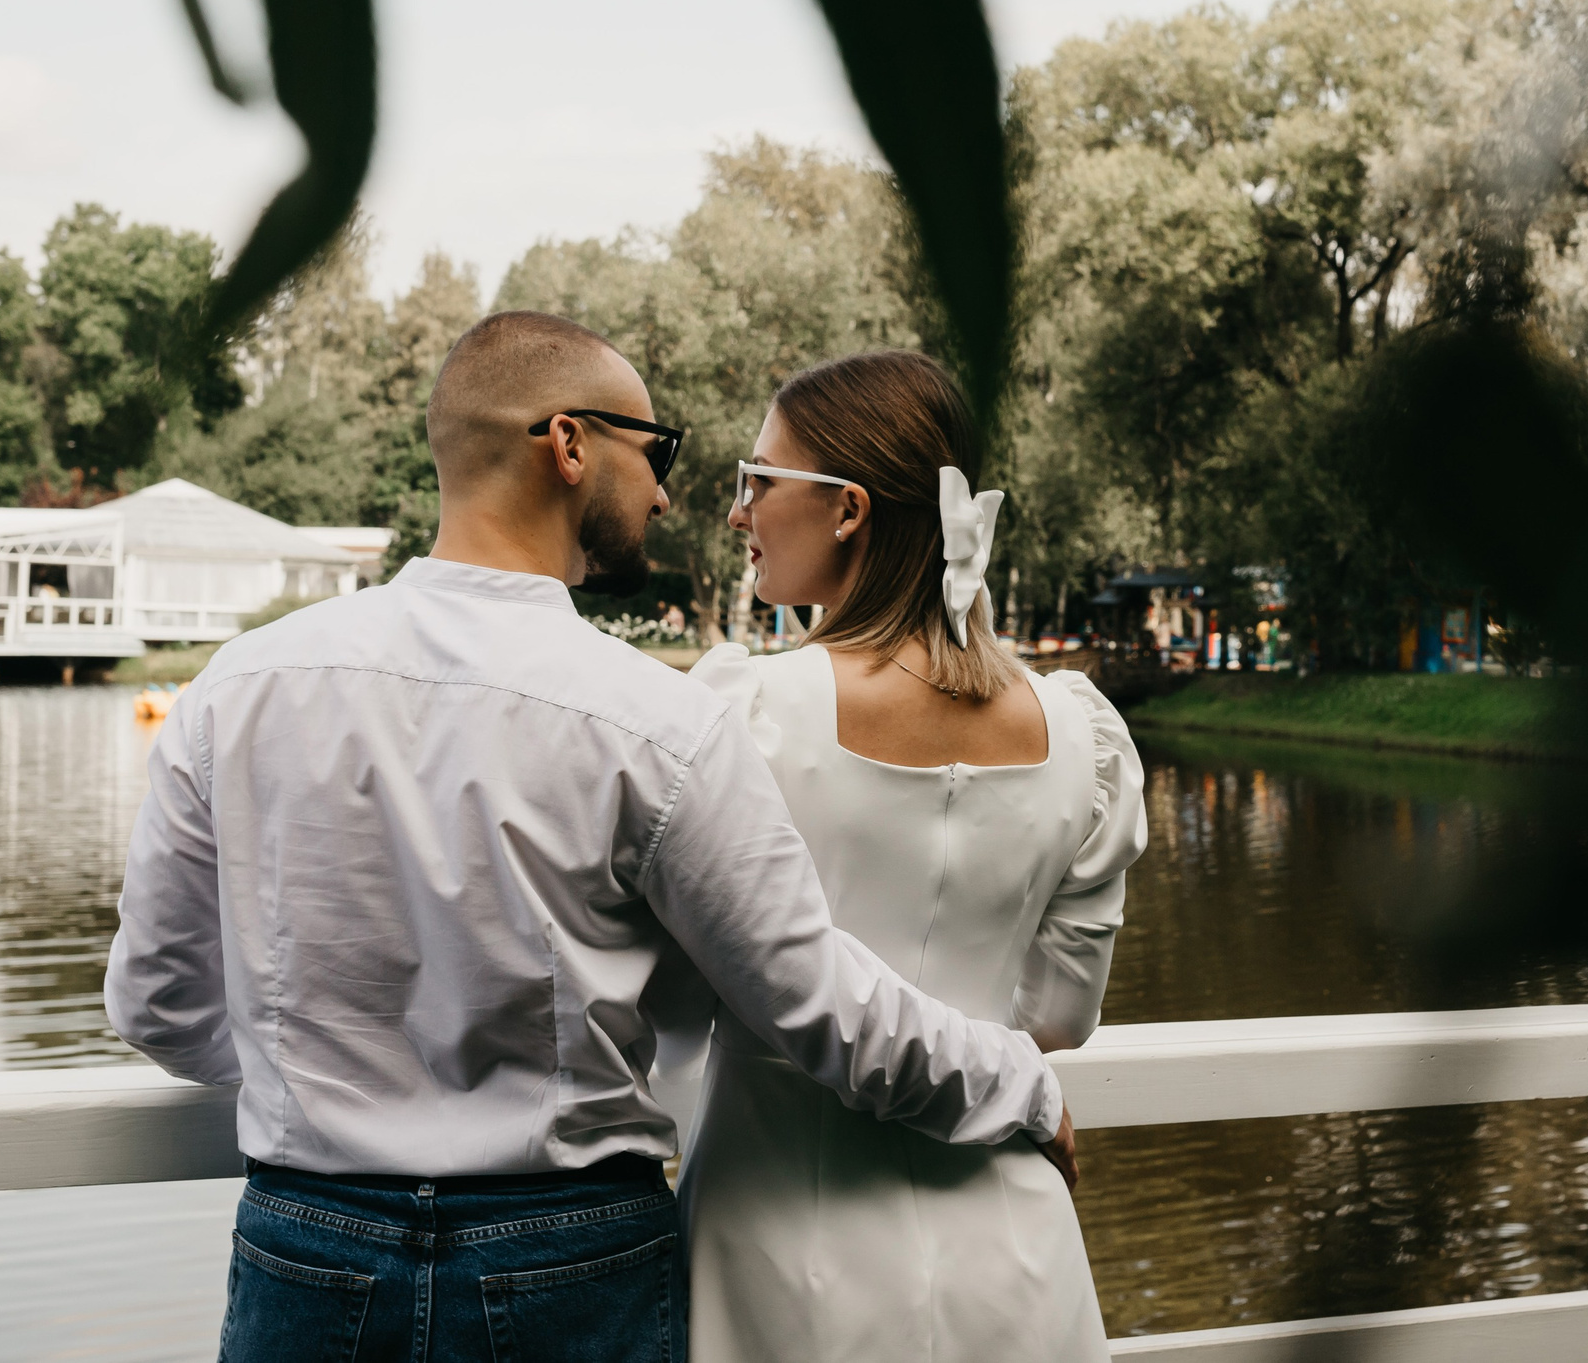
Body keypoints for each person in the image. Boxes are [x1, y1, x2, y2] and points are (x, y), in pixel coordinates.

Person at [104, 313, 1075, 1363]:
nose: (665, 492)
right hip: (571, 1265)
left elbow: (157, 1003)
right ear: (568, 446)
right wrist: (1017, 1084)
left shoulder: (236, 690)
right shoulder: (654, 723)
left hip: (308, 1249)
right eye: (653, 453)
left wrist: (328, 1086)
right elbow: (808, 1001)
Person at [678, 350, 1146, 1363]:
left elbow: (678, 990)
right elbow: (1061, 1014)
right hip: (1011, 1248)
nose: (737, 512)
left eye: (758, 481)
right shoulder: (1081, 734)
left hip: (783, 1244)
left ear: (848, 509)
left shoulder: (745, 714)